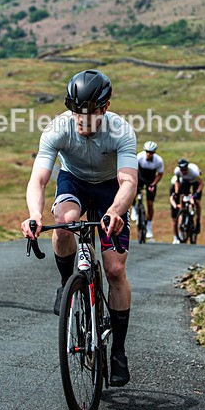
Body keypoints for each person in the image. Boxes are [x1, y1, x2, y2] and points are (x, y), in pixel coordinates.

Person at [21, 70, 138, 387]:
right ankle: (67, 283)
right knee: (64, 224)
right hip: (74, 181)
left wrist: (115, 211)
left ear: (105, 107)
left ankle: (118, 352)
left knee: (114, 270)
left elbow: (128, 181)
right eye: (76, 114)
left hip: (110, 189)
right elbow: (39, 179)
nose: (82, 122)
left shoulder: (121, 131)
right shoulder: (58, 128)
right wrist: (34, 214)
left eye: (89, 115)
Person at [131, 140, 163, 239]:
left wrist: (153, 184)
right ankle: (134, 208)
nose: (149, 154)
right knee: (132, 193)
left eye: (151, 152)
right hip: (140, 178)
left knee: (150, 204)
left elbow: (160, 174)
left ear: (154, 153)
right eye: (147, 152)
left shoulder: (158, 161)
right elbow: (133, 169)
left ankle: (149, 225)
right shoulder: (139, 157)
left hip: (151, 181)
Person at [171, 158, 204, 243]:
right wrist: (176, 192)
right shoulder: (177, 171)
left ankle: (197, 220)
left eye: (185, 170)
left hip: (195, 183)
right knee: (182, 196)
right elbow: (177, 182)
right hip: (186, 181)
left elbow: (201, 183)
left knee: (196, 201)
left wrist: (196, 193)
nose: (183, 171)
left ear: (187, 168)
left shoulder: (194, 172)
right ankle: (183, 211)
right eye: (182, 170)